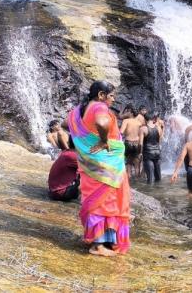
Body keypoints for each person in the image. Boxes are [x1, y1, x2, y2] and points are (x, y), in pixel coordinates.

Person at [66, 80, 130, 256]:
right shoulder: (99, 107)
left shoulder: (78, 110)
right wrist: (103, 140)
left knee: (100, 202)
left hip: (92, 164)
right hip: (105, 164)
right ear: (101, 95)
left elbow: (67, 124)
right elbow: (102, 123)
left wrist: (85, 139)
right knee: (104, 203)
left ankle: (104, 240)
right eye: (111, 96)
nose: (114, 99)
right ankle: (98, 245)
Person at [47, 136, 80, 201]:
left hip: (55, 191)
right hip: (61, 193)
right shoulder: (72, 156)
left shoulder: (67, 152)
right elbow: (94, 167)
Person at [139, 113, 162, 184]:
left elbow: (140, 143)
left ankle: (150, 190)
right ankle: (158, 191)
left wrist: (140, 153)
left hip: (148, 154)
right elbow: (160, 141)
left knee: (150, 177)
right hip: (157, 153)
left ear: (145, 119)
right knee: (158, 177)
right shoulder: (158, 128)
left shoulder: (143, 129)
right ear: (153, 119)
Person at [120, 107, 142, 179]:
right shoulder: (139, 123)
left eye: (128, 112)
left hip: (128, 143)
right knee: (137, 164)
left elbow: (121, 132)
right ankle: (138, 183)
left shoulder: (126, 121)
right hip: (136, 144)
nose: (126, 113)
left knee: (128, 163)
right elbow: (140, 135)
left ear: (131, 113)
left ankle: (129, 185)